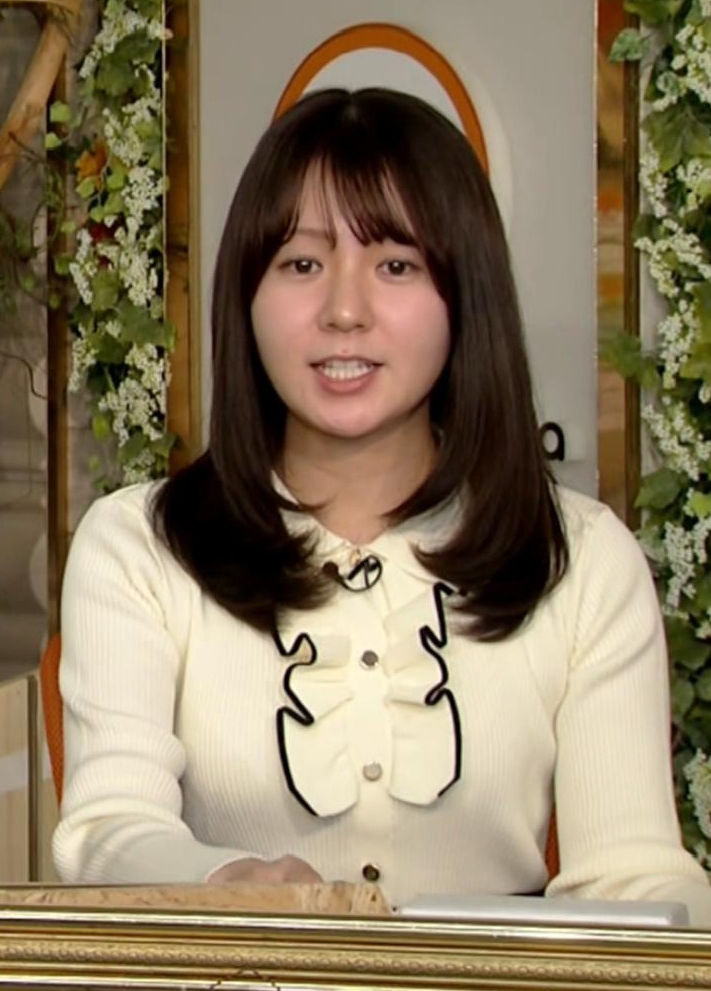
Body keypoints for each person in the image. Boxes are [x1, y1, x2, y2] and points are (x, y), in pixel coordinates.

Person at [53, 87, 711, 924]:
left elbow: (632, 875)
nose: (343, 311)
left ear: (463, 293)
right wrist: (233, 884)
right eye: (301, 263)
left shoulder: (580, 558)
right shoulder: (139, 546)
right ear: (245, 294)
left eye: (395, 264)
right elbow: (109, 832)